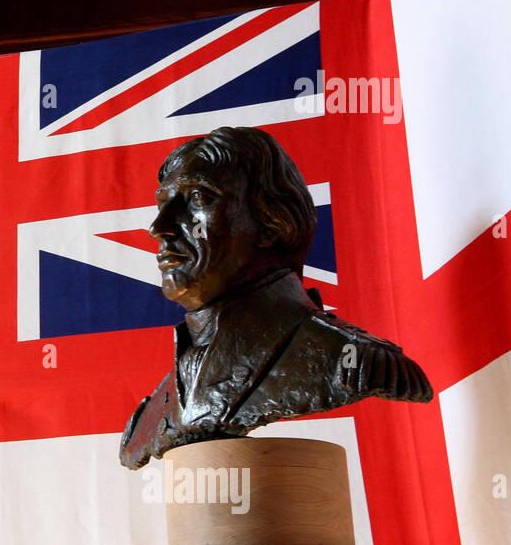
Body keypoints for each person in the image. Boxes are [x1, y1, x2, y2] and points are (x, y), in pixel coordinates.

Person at [120, 127, 431, 470]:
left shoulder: (356, 362)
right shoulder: (149, 417)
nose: (159, 227)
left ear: (271, 223)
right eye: (163, 203)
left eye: (199, 198)